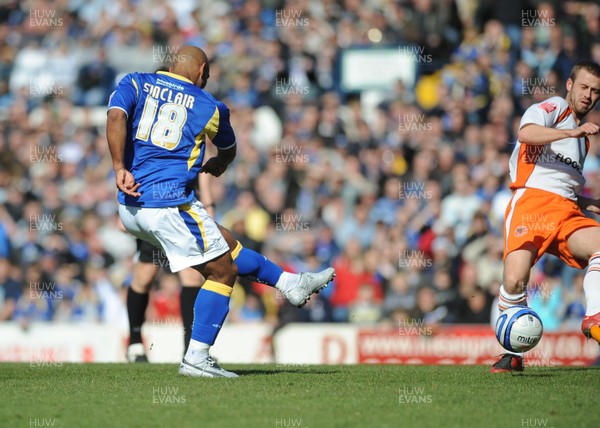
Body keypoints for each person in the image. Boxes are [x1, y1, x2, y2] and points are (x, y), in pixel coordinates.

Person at [107, 46, 333, 377]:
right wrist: (218, 165)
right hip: (169, 206)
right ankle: (196, 357)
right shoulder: (208, 105)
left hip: (130, 205)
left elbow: (115, 117)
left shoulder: (135, 82)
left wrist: (117, 168)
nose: (207, 80)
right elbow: (228, 149)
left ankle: (290, 283)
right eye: (208, 75)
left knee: (225, 244)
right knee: (222, 272)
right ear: (200, 71)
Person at [126, 176, 335, 363]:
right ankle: (138, 343)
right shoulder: (150, 139)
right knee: (147, 276)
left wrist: (208, 206)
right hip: (153, 207)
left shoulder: (188, 141)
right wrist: (124, 201)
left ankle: (191, 349)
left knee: (210, 265)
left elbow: (203, 172)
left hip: (178, 207)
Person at [492, 61, 600, 373]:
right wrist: (572, 129)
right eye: (584, 87)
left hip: (566, 210)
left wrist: (590, 202)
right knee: (515, 280)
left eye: (595, 91)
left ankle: (594, 315)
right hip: (532, 203)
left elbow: (562, 183)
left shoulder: (583, 141)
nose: (589, 95)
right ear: (569, 85)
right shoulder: (554, 108)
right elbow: (525, 133)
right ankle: (511, 354)